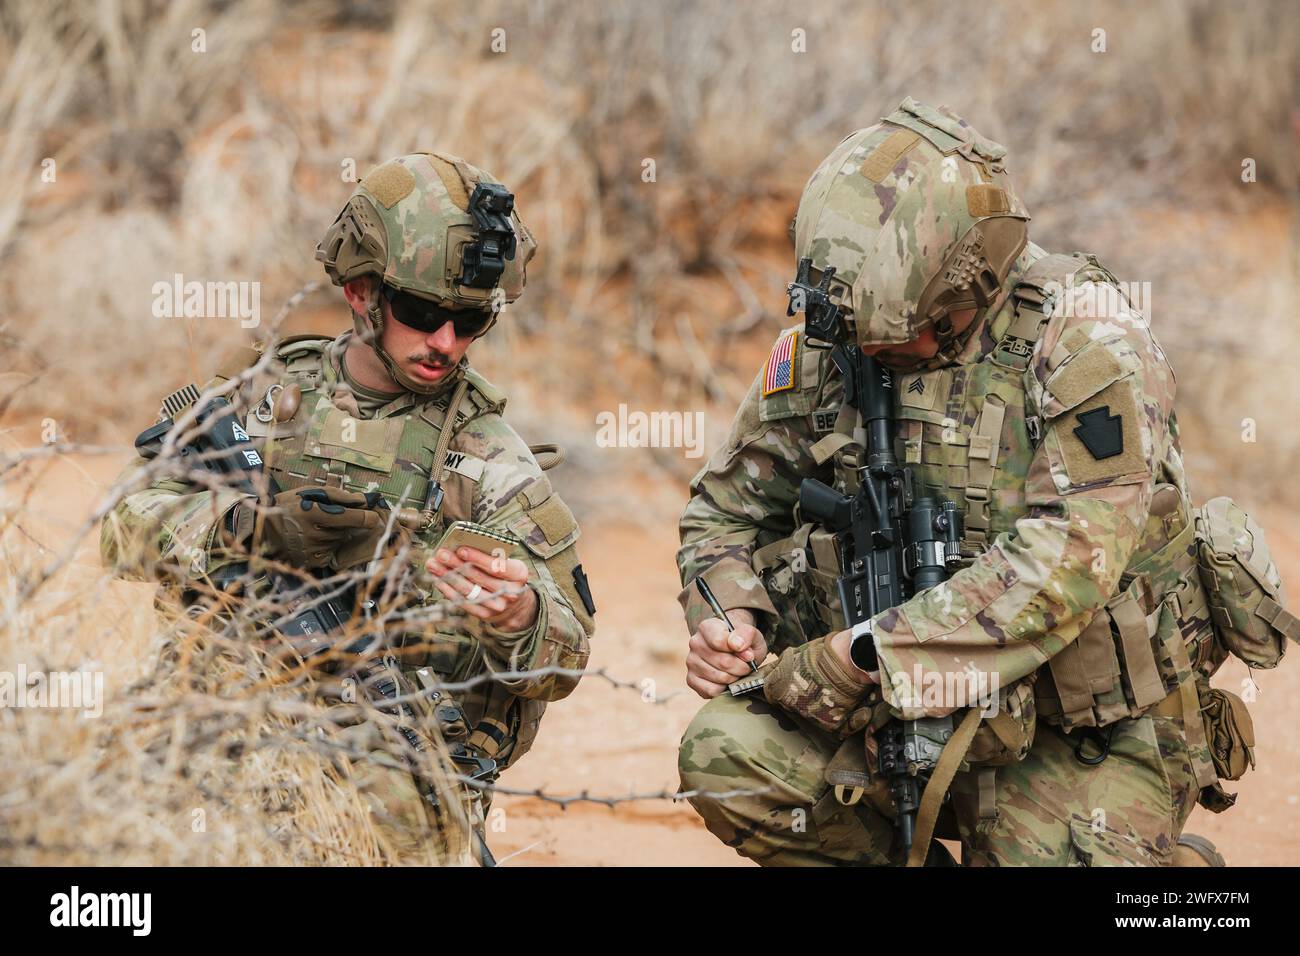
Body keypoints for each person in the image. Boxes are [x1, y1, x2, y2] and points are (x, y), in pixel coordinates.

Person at [675, 98, 1262, 866]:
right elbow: (724, 513)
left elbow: (1068, 565)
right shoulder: (836, 341)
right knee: (727, 756)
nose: (874, 355)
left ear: (968, 281)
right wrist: (731, 617)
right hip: (886, 713)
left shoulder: (1086, 339)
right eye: (859, 336)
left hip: (1078, 732)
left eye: (897, 336)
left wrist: (860, 656)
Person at [101, 152, 596, 863]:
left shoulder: (487, 457)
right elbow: (120, 527)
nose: (446, 343)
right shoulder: (260, 402)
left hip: (392, 768)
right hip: (222, 717)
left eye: (471, 320)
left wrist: (520, 617)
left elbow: (569, 657)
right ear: (363, 293)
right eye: (424, 313)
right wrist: (239, 532)